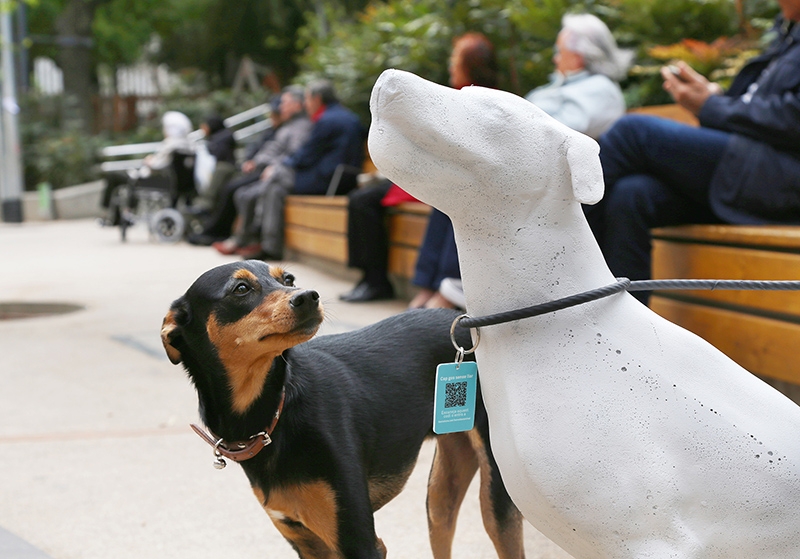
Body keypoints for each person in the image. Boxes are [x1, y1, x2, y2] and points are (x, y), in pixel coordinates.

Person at [584, 0, 800, 305]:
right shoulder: (788, 34)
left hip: (780, 179)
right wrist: (715, 97)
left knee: (632, 133)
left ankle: (552, 252)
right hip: (753, 168)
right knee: (633, 195)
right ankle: (618, 326)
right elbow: (766, 108)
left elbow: (792, 118)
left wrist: (712, 107)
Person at [242, 79, 364, 261]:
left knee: (275, 176)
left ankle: (262, 236)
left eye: (307, 99)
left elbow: (305, 156)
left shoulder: (326, 120)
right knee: (275, 189)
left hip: (328, 179)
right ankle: (268, 245)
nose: (306, 104)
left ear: (317, 98)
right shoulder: (349, 117)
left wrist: (278, 168)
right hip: (345, 177)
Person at [211, 86, 313, 256]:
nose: (281, 107)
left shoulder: (301, 127)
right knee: (242, 193)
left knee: (251, 193)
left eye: (285, 103)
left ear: (298, 105)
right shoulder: (288, 126)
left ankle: (258, 243)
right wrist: (256, 161)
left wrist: (273, 166)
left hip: (285, 175)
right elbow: (271, 149)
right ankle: (243, 240)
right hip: (274, 172)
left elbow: (294, 154)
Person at [187, 94, 284, 246]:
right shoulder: (272, 130)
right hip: (255, 167)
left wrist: (257, 162)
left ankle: (226, 234)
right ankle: (218, 232)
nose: (270, 116)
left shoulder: (283, 130)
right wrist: (251, 161)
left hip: (269, 170)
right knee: (232, 189)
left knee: (233, 189)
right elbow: (256, 148)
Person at [525, 13, 632, 139]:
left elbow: (558, 135)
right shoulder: (574, 84)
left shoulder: (599, 88)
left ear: (578, 56)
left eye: (559, 52)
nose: (555, 59)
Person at [100, 111, 195, 226]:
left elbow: (158, 165)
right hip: (161, 180)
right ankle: (116, 216)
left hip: (151, 180)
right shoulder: (187, 145)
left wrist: (149, 161)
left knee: (114, 176)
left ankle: (109, 213)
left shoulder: (172, 144)